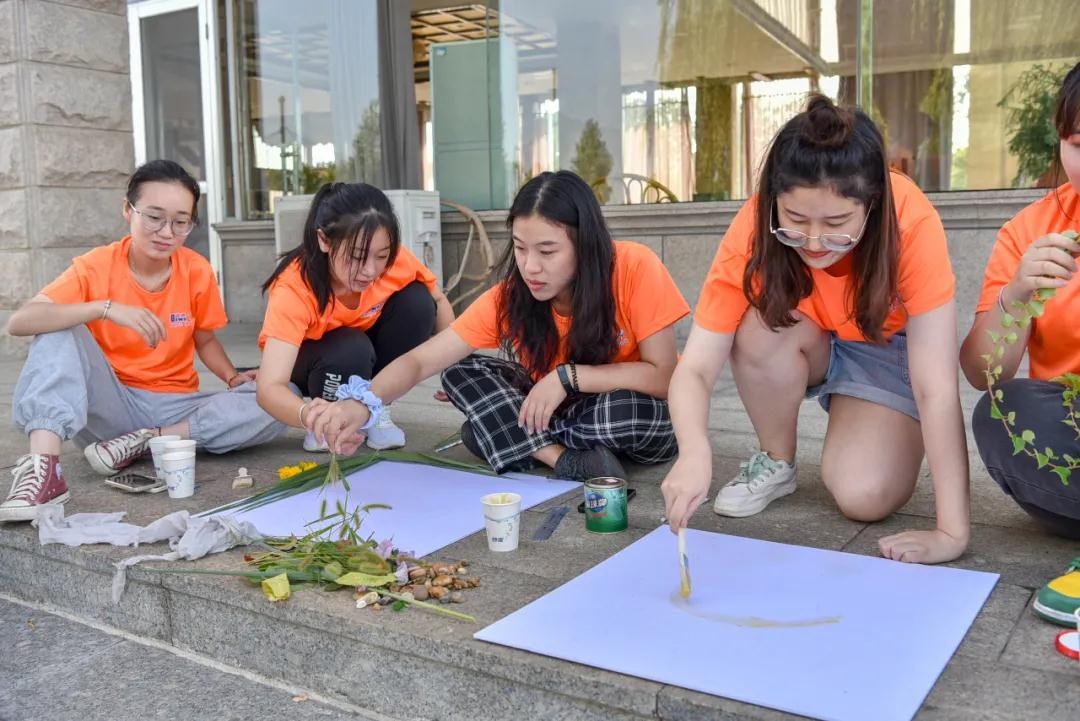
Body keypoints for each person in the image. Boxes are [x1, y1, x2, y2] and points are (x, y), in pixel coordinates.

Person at [660, 95, 970, 565]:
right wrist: (693, 452)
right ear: (774, 200)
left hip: (886, 349)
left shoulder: (911, 220)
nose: (813, 241)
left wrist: (951, 531)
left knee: (864, 495)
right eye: (796, 220)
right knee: (756, 324)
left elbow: (937, 386)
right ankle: (776, 459)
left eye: (837, 223)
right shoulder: (753, 226)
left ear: (873, 203)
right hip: (810, 338)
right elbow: (697, 367)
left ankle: (876, 422)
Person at [305, 170, 690, 482]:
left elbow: (664, 377)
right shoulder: (512, 296)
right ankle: (560, 458)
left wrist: (567, 378)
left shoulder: (634, 267)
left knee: (627, 412)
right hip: (551, 411)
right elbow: (420, 362)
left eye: (547, 251)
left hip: (624, 410)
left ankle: (501, 434)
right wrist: (362, 404)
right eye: (520, 248)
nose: (530, 266)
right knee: (460, 371)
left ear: (585, 244)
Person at [1, 160, 285, 523]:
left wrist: (232, 378)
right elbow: (21, 321)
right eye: (154, 217)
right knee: (60, 327)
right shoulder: (96, 266)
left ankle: (148, 439)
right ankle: (46, 471)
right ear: (128, 210)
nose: (166, 232)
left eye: (180, 222)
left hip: (175, 409)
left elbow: (205, 339)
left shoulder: (196, 270)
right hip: (111, 406)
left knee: (278, 394)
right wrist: (104, 309)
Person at [959, 61, 1080, 623]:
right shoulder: (1032, 230)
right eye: (1078, 144)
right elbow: (982, 373)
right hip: (1072, 425)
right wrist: (1016, 296)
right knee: (1003, 413)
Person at [255, 182, 453, 452]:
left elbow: (439, 300)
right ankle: (329, 416)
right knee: (351, 346)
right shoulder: (294, 286)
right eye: (357, 256)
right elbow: (269, 388)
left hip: (364, 354)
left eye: (382, 256)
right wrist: (309, 416)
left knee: (418, 302)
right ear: (324, 240)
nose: (370, 270)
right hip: (315, 363)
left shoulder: (394, 262)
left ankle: (376, 408)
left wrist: (456, 374)